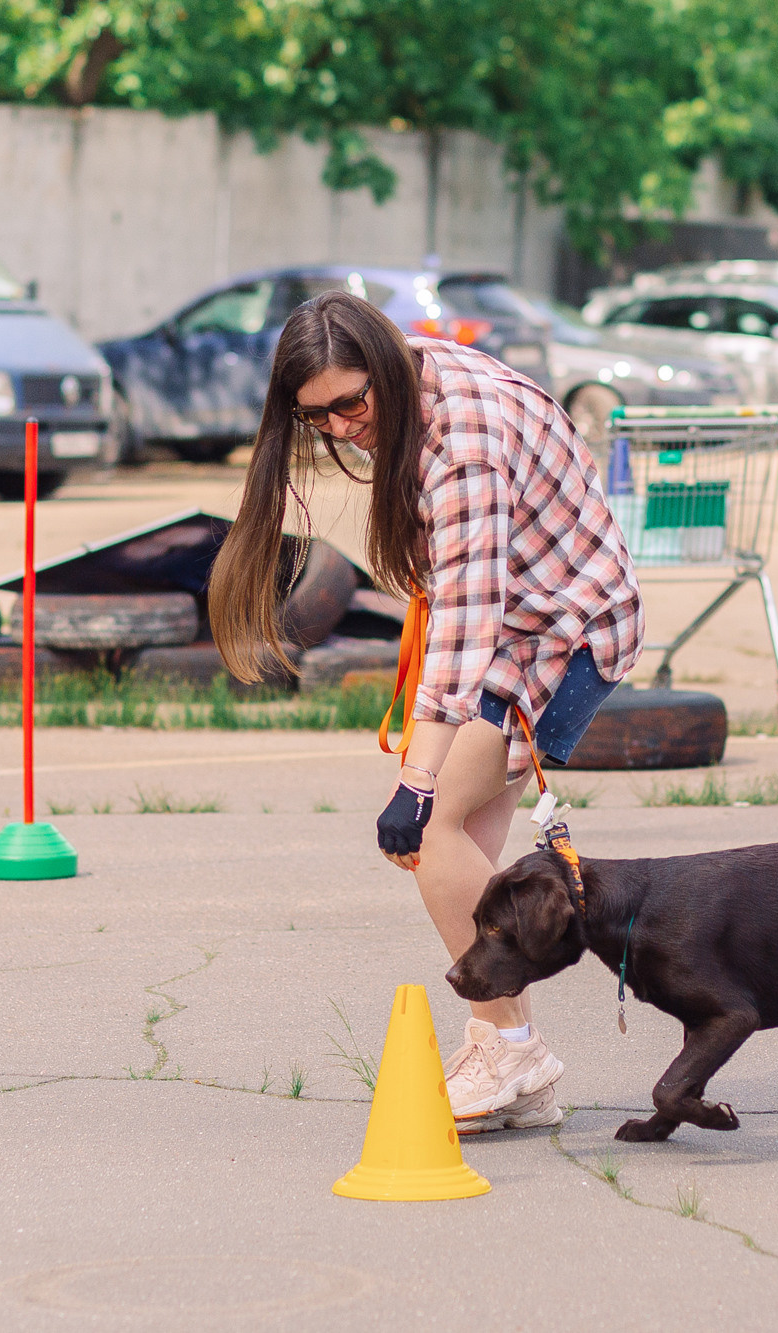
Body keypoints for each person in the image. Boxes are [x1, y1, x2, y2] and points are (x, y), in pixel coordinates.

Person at [210, 291, 642, 1131]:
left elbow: (468, 621)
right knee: (461, 856)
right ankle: (512, 1064)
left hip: (563, 634)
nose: (340, 426)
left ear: (383, 367)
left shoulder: (463, 444)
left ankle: (513, 1048)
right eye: (317, 416)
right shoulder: (401, 371)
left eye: (351, 403)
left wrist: (415, 776)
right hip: (528, 623)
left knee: (434, 826)